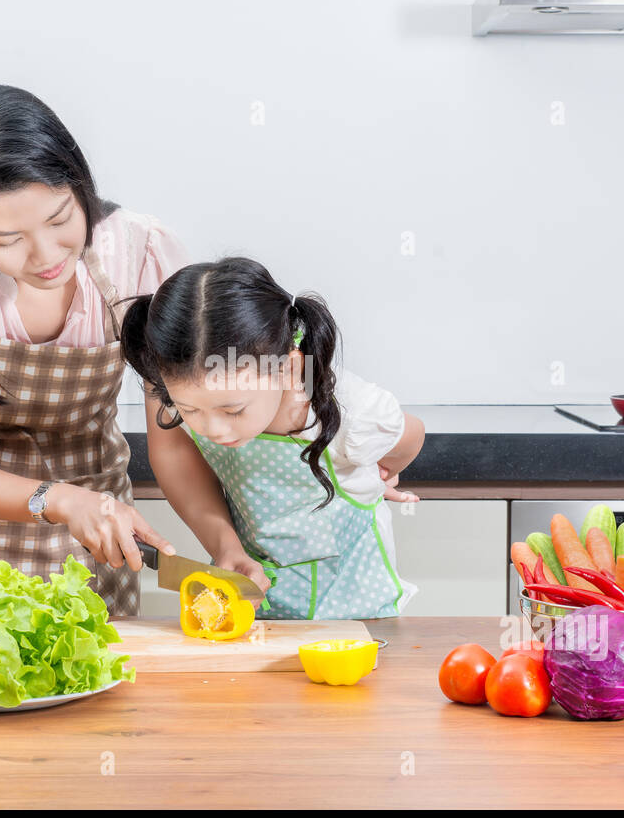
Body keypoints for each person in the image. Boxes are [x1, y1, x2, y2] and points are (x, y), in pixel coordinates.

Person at [0, 85, 251, 613]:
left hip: (96, 545)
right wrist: (58, 499)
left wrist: (223, 546)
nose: (47, 256)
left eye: (60, 219)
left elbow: (172, 441)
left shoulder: (137, 253)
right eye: (7, 239)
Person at [117, 257, 426, 620]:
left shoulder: (350, 411)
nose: (213, 430)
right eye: (190, 410)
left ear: (288, 368)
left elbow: (410, 436)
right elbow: (172, 454)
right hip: (261, 615)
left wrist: (381, 470)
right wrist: (226, 547)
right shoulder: (180, 380)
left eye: (233, 411)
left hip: (358, 618)